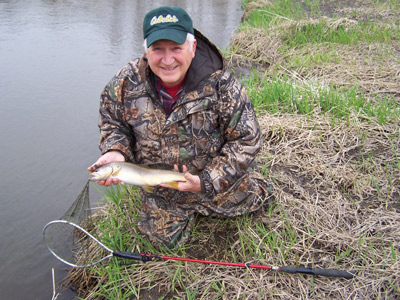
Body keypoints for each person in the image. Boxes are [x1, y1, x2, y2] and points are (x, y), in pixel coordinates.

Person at [88, 6, 273, 248]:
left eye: (176, 48)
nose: (167, 60)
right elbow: (113, 123)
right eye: (157, 50)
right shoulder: (124, 83)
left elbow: (247, 139)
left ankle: (225, 196)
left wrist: (205, 181)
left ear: (193, 47)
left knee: (262, 198)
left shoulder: (221, 83)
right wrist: (116, 151)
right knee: (161, 242)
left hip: (212, 180)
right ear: (146, 50)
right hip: (163, 191)